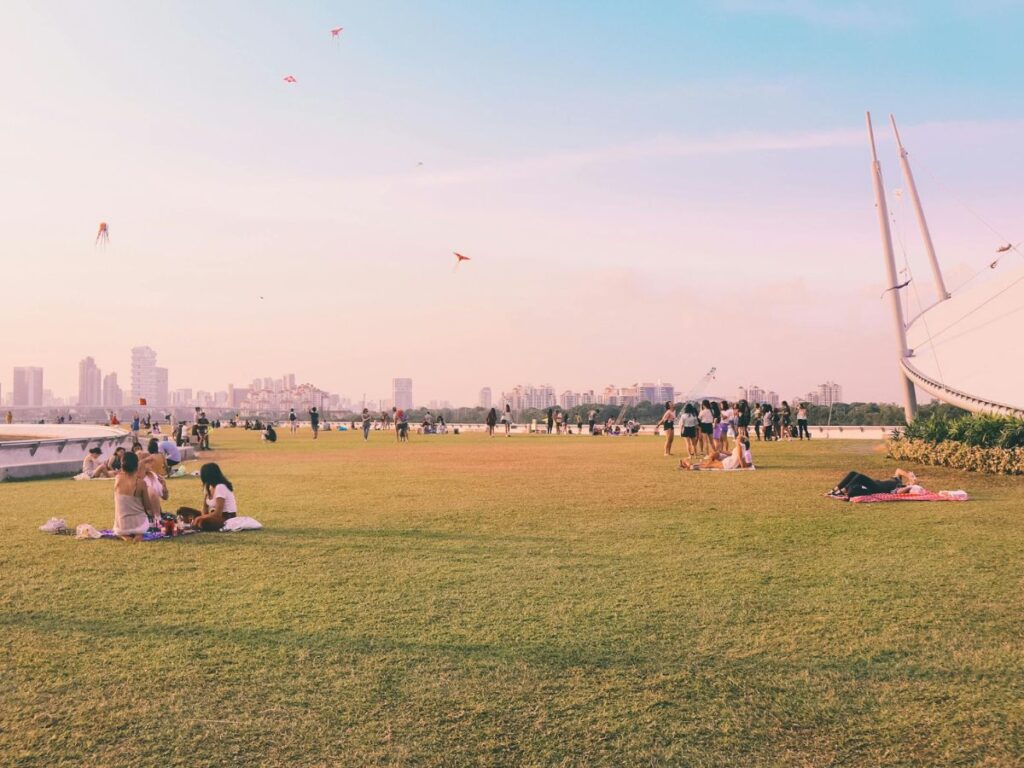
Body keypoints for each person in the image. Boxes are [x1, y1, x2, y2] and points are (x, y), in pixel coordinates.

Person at [113, 451, 154, 541]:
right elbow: (148, 507)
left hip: (121, 527)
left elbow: (124, 471)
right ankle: (138, 535)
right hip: (140, 526)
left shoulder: (117, 479)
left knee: (119, 528)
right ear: (136, 466)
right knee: (145, 518)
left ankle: (124, 536)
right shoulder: (141, 483)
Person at [191, 463, 238, 531]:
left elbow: (218, 513)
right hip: (213, 515)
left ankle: (196, 523)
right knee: (184, 511)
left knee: (202, 523)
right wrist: (201, 517)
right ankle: (194, 523)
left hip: (225, 517)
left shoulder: (220, 487)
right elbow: (205, 509)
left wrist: (200, 518)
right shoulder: (209, 487)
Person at [828, 469, 917, 499]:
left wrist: (910, 485)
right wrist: (909, 477)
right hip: (875, 483)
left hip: (877, 488)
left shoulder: (900, 487)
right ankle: (834, 490)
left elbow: (900, 493)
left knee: (859, 476)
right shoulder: (898, 481)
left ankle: (842, 491)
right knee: (853, 473)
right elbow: (898, 470)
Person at [680, 437, 754, 471]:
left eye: (738, 438)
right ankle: (689, 465)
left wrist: (744, 467)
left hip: (728, 464)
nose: (736, 439)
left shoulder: (739, 446)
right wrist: (747, 465)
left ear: (740, 441)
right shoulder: (742, 447)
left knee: (708, 465)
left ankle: (689, 466)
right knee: (709, 464)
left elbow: (740, 459)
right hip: (728, 462)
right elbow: (740, 459)